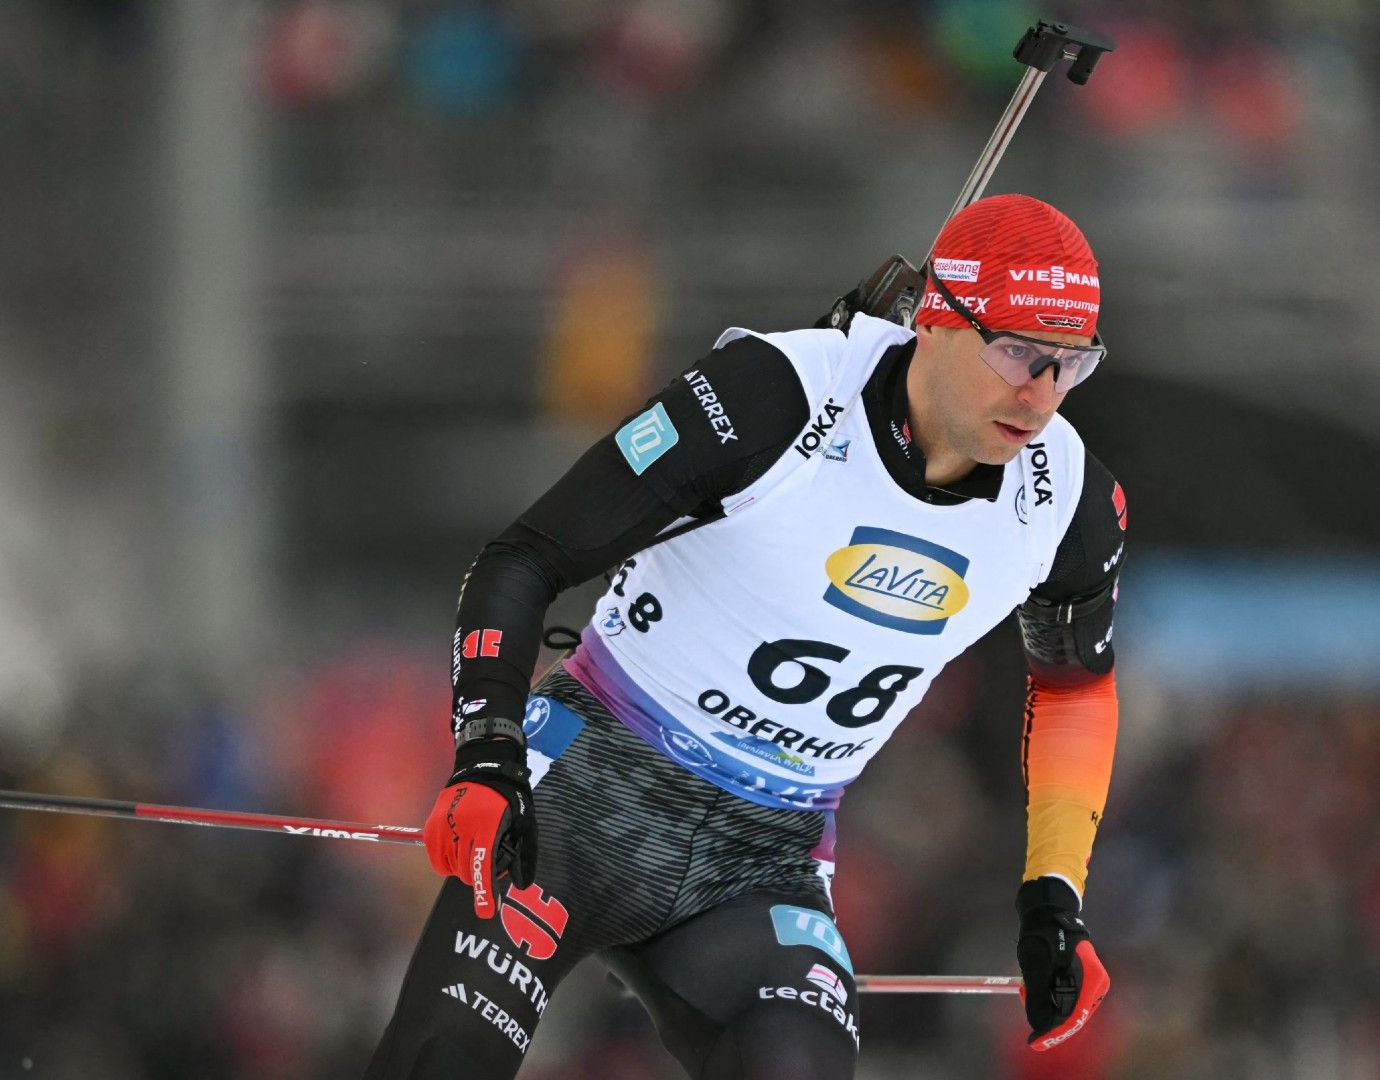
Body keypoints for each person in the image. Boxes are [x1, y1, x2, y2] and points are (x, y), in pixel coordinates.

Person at [364, 194, 1125, 1079]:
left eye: (1071, 364)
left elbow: (1076, 688)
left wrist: (1054, 900)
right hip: (580, 797)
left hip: (763, 857)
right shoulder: (775, 396)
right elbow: (525, 557)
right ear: (933, 317)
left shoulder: (1068, 499)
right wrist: (486, 751)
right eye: (1017, 353)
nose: (1041, 395)